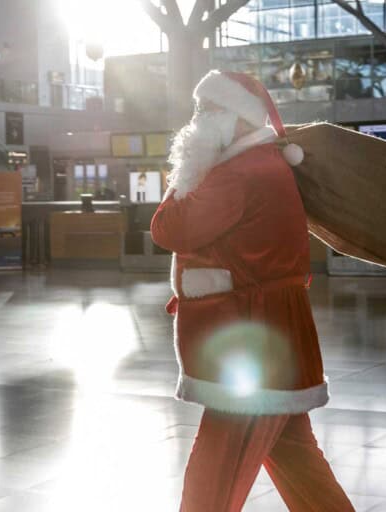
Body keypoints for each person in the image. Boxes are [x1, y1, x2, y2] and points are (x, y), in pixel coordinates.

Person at [150, 70, 354, 511]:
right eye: (198, 109)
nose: (198, 121)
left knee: (214, 476)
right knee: (300, 468)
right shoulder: (262, 163)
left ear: (239, 119)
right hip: (273, 339)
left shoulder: (236, 172)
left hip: (250, 344)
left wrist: (182, 177)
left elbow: (169, 228)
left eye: (209, 110)